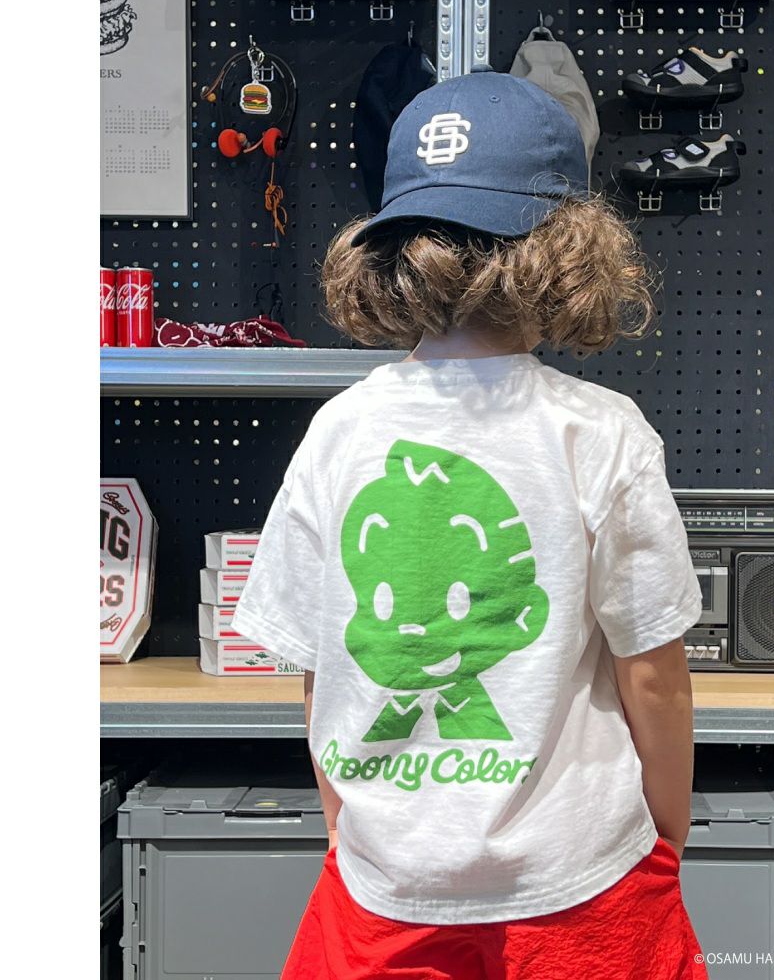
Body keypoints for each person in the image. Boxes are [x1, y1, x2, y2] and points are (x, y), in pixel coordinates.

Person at [232, 71, 709, 980]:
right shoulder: (601, 433)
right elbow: (654, 675)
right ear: (571, 247)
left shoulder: (340, 430)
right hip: (584, 884)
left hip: (383, 889)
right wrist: (668, 833)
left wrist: (346, 824)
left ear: (389, 250)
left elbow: (320, 666)